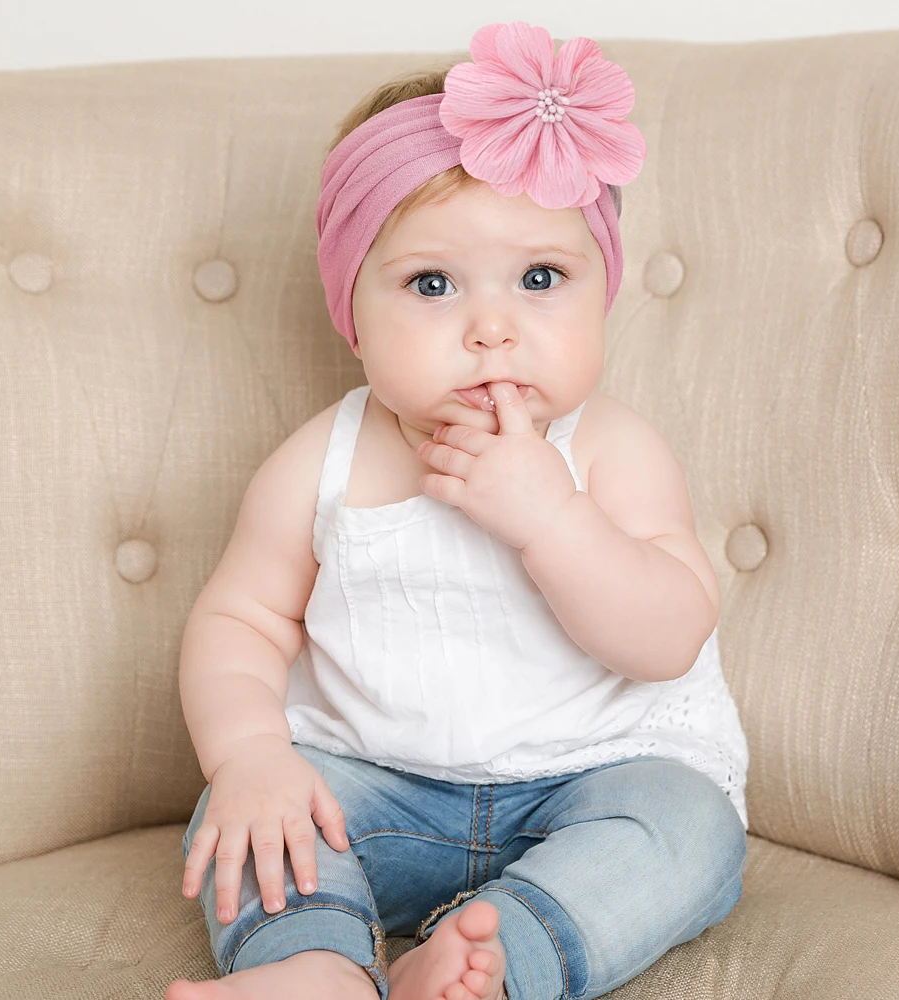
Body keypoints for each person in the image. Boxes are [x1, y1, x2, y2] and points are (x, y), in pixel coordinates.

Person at [167, 20, 749, 1000]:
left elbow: (668, 638)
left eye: (540, 278)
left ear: (601, 293)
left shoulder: (611, 450)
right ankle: (315, 964)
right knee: (253, 817)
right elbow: (240, 619)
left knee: (692, 830)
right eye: (431, 284)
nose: (492, 328)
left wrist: (553, 518)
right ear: (352, 312)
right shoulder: (322, 462)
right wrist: (251, 754)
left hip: (592, 783)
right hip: (374, 789)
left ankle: (491, 957)